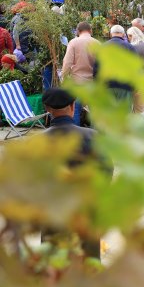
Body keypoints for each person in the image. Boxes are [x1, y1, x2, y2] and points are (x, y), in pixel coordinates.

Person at [41, 87, 110, 259]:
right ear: (73, 106)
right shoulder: (93, 136)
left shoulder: (37, 141)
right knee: (89, 263)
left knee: (53, 267)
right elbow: (107, 170)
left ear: (47, 109)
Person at [62, 21, 100, 125]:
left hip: (77, 81)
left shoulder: (74, 42)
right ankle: (95, 135)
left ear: (78, 31)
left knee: (75, 109)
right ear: (90, 30)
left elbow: (67, 62)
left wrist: (64, 77)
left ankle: (76, 134)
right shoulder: (97, 43)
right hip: (93, 82)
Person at [94, 25, 137, 105]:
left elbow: (97, 68)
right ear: (124, 34)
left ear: (111, 34)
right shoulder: (130, 47)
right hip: (125, 86)